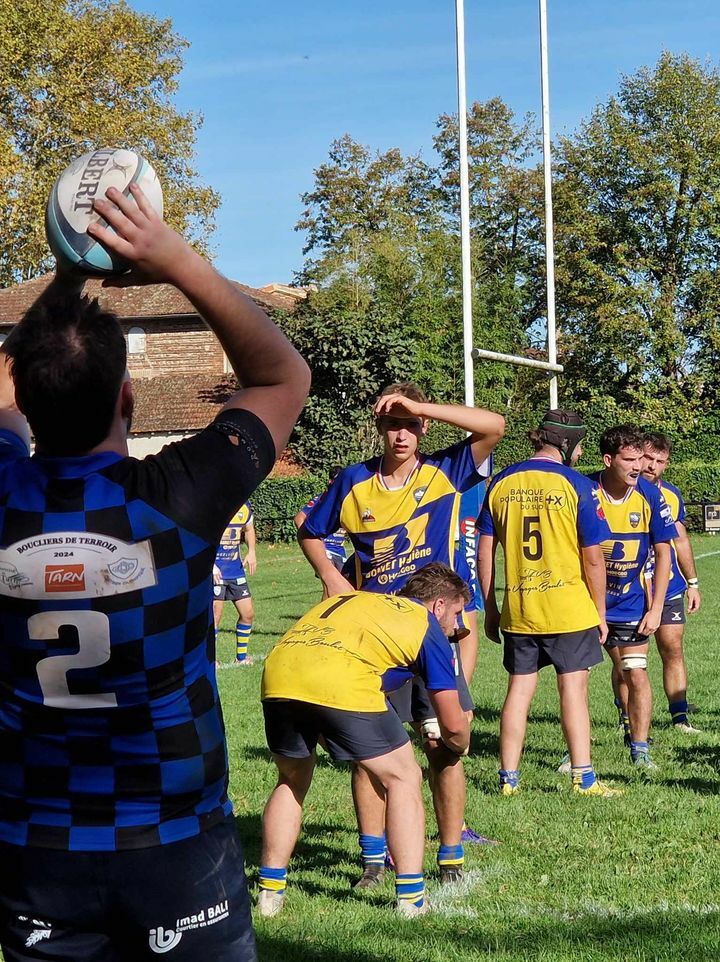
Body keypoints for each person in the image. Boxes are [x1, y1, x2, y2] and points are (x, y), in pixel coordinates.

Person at [0, 183, 310, 962]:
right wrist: (174, 259)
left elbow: (5, 386)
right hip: (174, 835)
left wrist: (68, 275)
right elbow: (283, 377)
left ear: (27, 404)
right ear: (129, 398)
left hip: (35, 840)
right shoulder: (178, 497)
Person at [298, 383, 504, 885]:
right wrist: (331, 576)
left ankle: (450, 855)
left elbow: (494, 426)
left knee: (444, 747)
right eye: (393, 424)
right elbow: (309, 529)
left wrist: (419, 405)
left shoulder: (445, 470)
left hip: (432, 635)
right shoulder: (354, 480)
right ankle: (374, 860)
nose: (402, 433)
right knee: (370, 756)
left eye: (411, 424)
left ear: (423, 427)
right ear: (380, 429)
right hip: (375, 640)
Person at [257, 564, 471, 919]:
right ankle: (411, 899)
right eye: (457, 613)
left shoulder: (367, 602)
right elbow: (452, 721)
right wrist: (461, 743)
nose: (457, 625)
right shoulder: (425, 625)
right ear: (438, 606)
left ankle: (269, 893)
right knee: (403, 776)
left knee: (291, 780)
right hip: (337, 677)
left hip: (279, 673)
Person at [478, 410, 619, 797]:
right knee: (573, 690)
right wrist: (600, 612)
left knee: (518, 691)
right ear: (566, 443)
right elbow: (594, 559)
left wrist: (491, 607)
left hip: (520, 609)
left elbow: (485, 551)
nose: (581, 453)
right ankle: (583, 778)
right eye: (580, 445)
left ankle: (508, 779)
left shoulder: (501, 482)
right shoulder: (578, 485)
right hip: (568, 608)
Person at [591, 425, 677, 771]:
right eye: (630, 460)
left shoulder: (650, 496)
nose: (639, 466)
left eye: (641, 458)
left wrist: (656, 609)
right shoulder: (584, 491)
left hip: (630, 603)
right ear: (608, 460)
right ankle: (576, 750)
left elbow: (665, 551)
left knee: (635, 673)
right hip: (586, 603)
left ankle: (640, 750)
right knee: (575, 679)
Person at [641, 432, 701, 733]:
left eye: (660, 461)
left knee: (673, 648)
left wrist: (693, 582)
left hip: (670, 587)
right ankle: (628, 721)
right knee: (631, 661)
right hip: (629, 589)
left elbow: (681, 540)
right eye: (648, 457)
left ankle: (680, 718)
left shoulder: (672, 495)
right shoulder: (612, 490)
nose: (652, 465)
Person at [214, 502, 257, 664]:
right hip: (215, 571)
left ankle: (241, 658)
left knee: (248, 614)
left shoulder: (244, 507)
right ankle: (211, 660)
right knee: (215, 616)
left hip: (235, 570)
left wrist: (251, 551)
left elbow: (249, 529)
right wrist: (210, 566)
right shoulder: (212, 505)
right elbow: (200, 537)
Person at [294, 468, 347, 598]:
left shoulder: (347, 498)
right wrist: (312, 540)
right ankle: (326, 611)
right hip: (326, 549)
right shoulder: (322, 499)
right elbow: (299, 518)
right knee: (331, 585)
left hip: (339, 550)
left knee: (345, 586)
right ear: (331, 481)